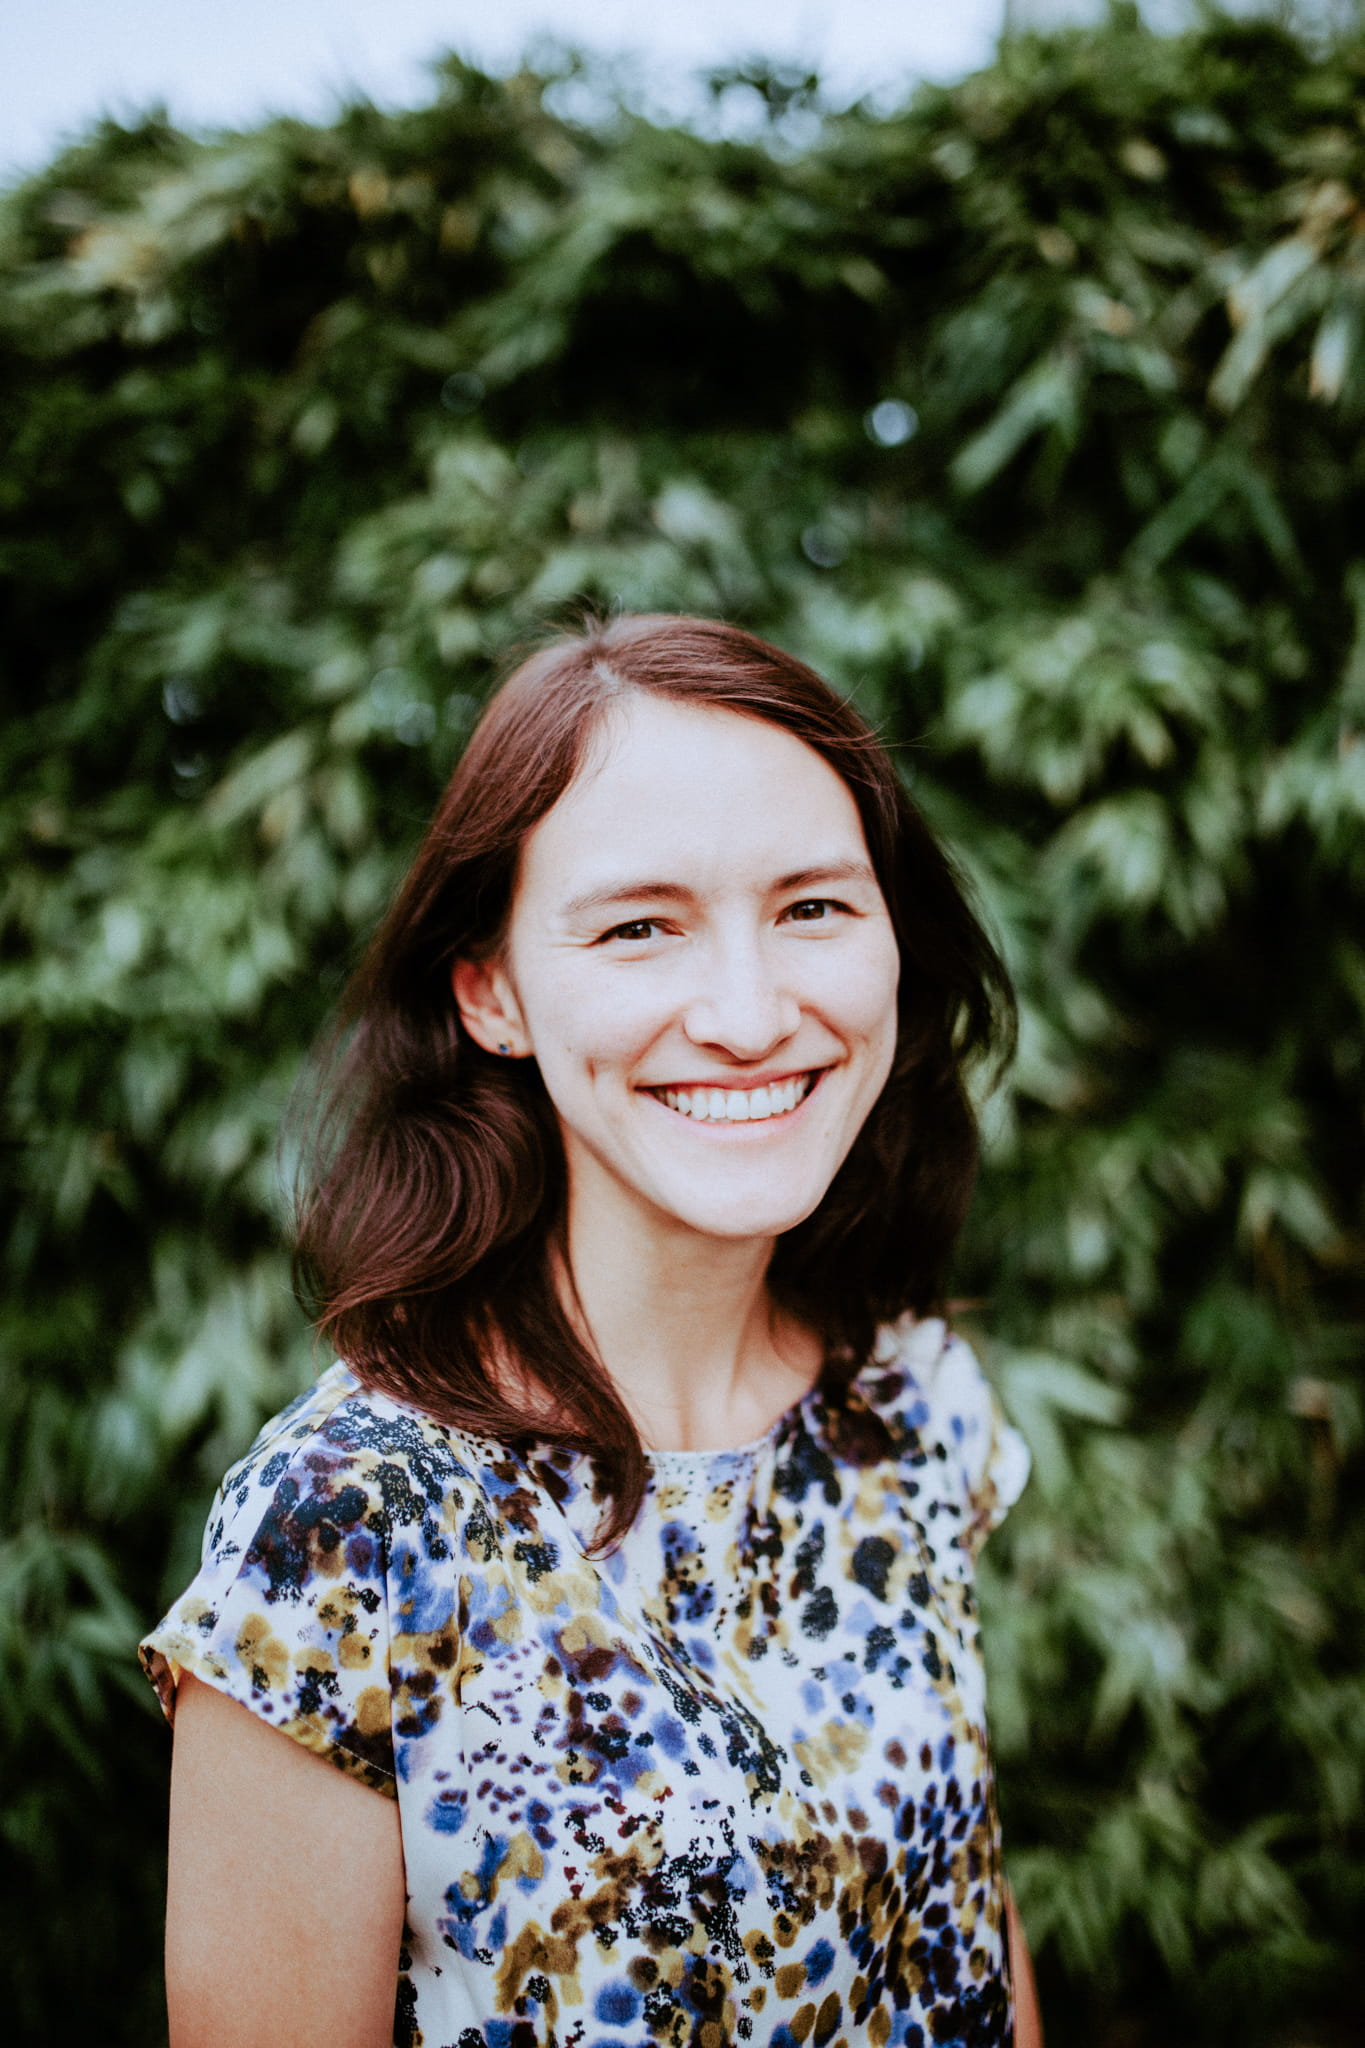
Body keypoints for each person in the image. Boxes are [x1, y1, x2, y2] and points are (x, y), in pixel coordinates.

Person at [142, 613, 1041, 2048]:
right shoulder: (349, 1530)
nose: (750, 1015)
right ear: (491, 990)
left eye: (813, 907)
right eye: (638, 927)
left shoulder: (909, 1401)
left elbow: (959, 1928)